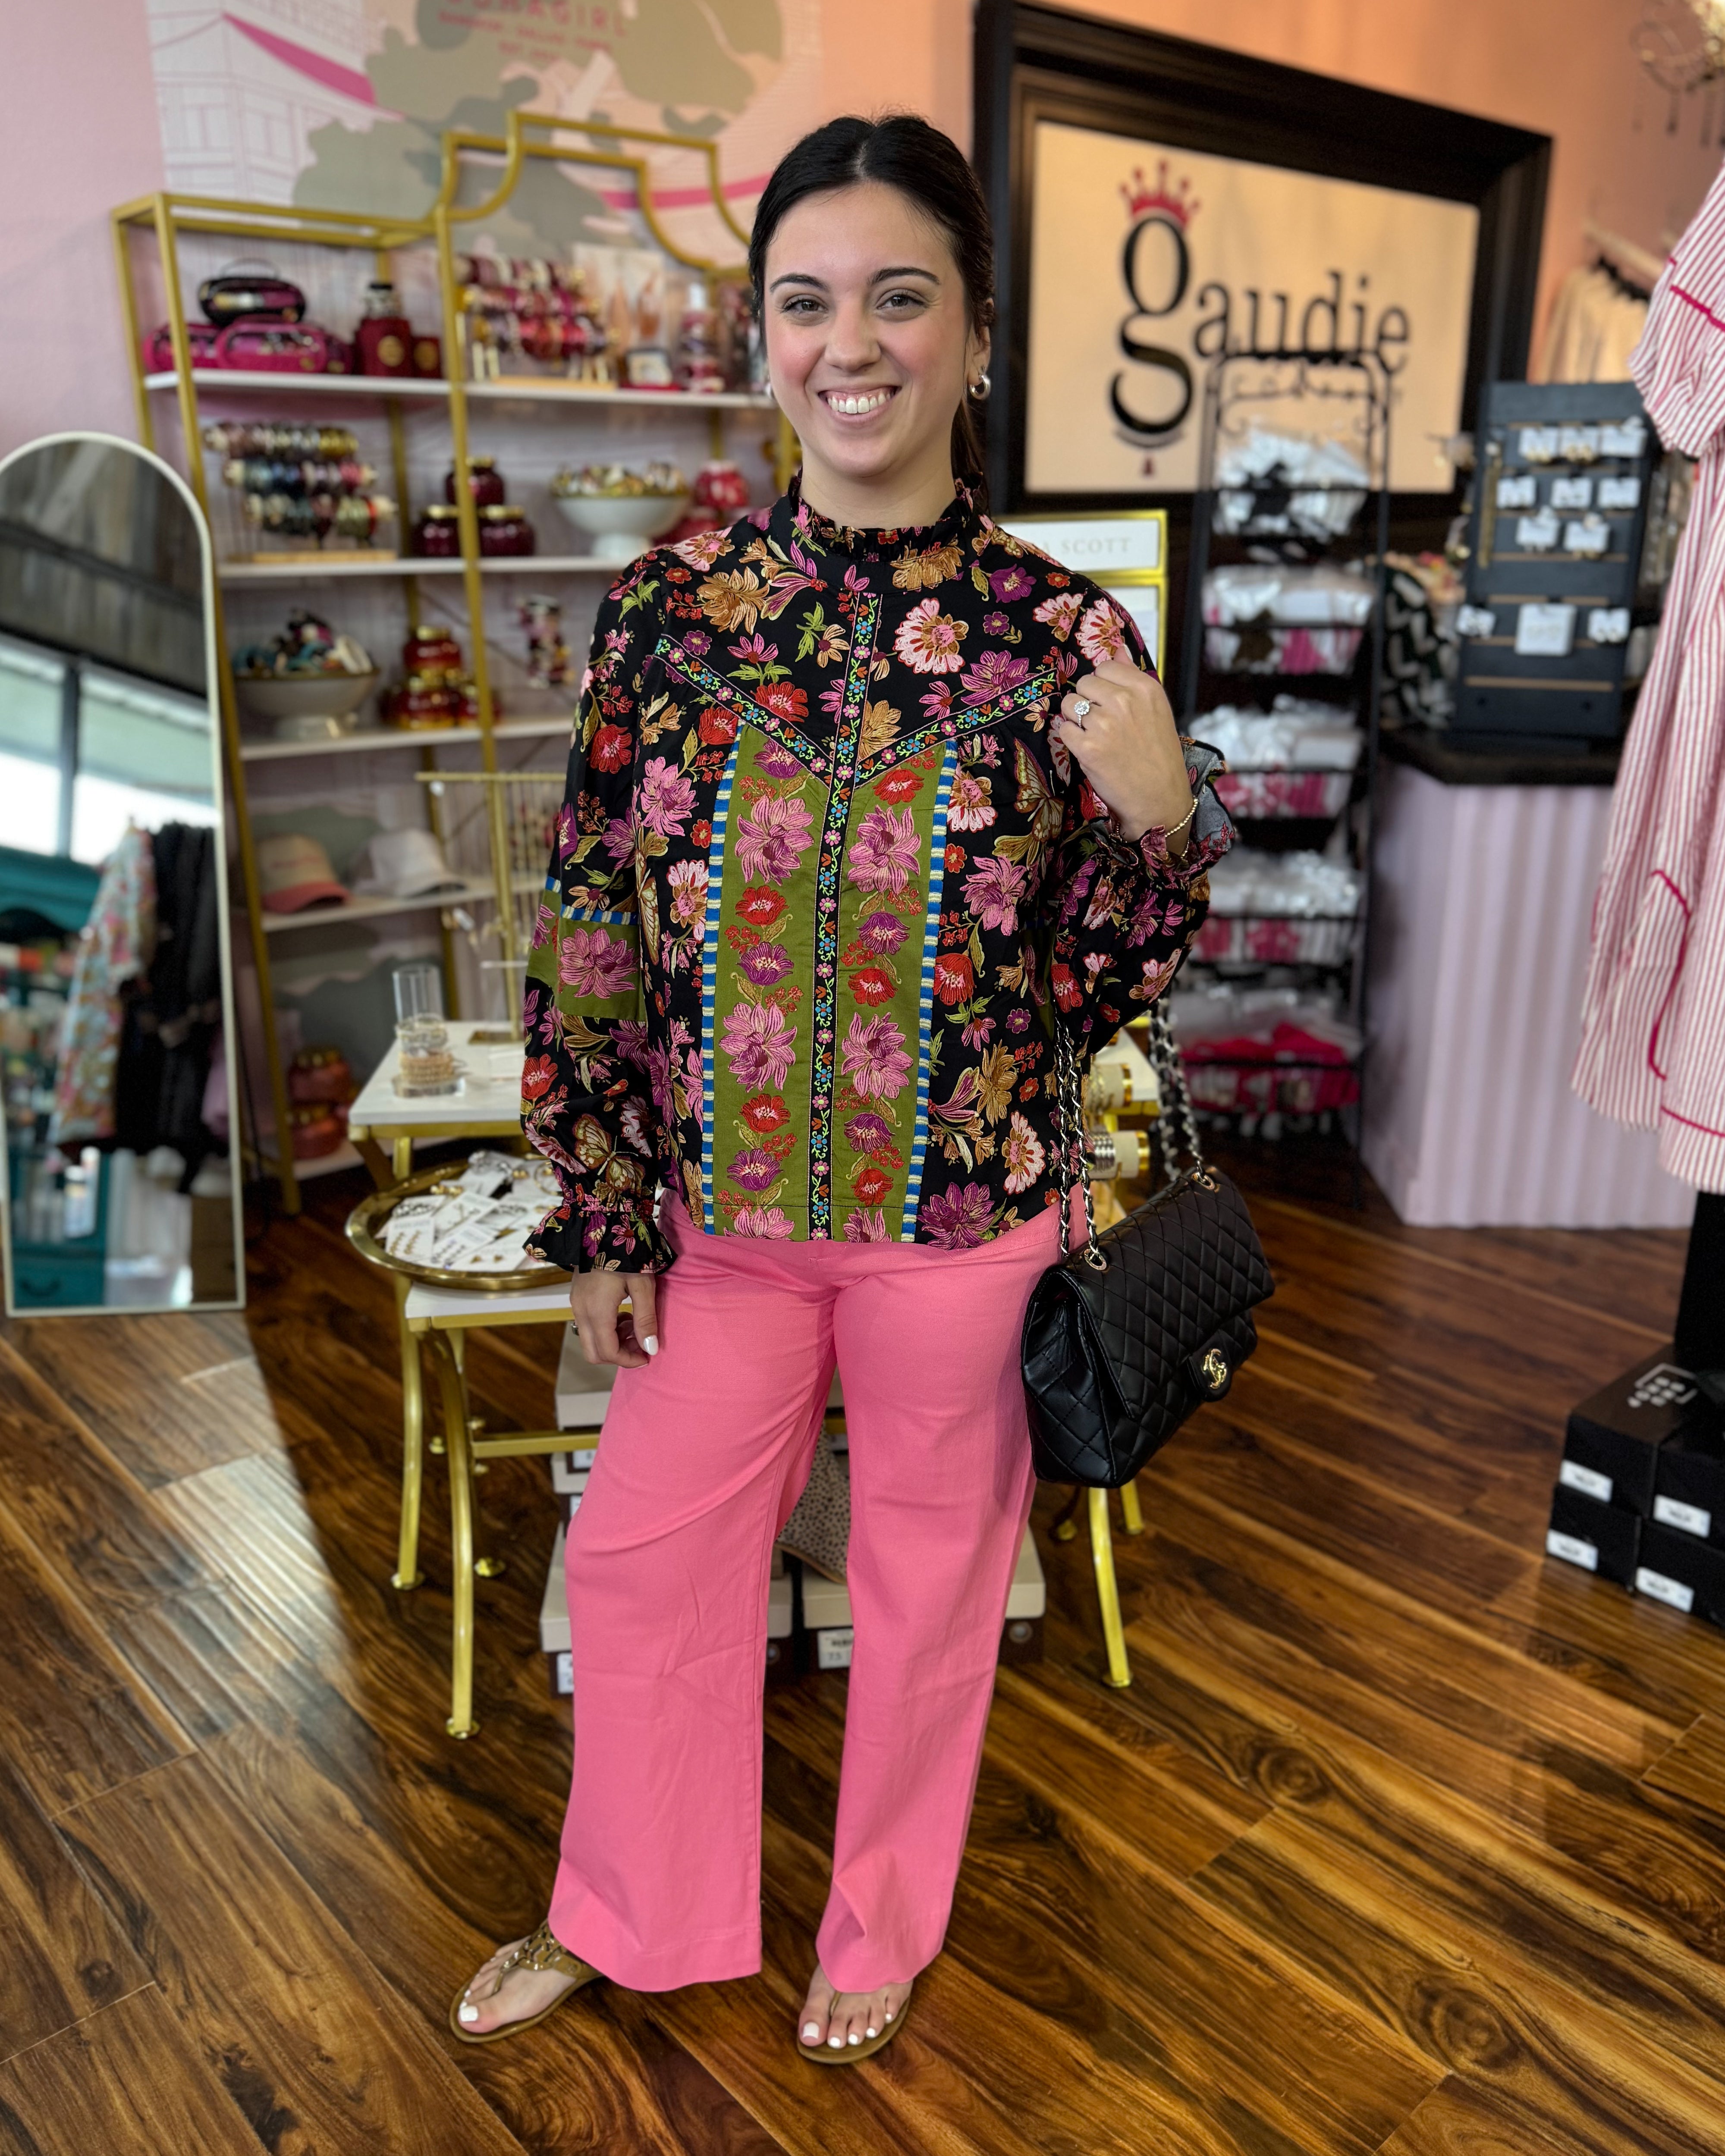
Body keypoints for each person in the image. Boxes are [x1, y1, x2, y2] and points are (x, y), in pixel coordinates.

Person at [452, 111, 1230, 2064]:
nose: (849, 341)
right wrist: (605, 1198)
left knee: (928, 1581)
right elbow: (597, 922)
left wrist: (1163, 815)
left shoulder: (1065, 637)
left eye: (899, 295)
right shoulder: (671, 612)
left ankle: (880, 1912)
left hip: (963, 1225)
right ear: (764, 336)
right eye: (806, 302)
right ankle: (629, 1904)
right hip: (720, 1220)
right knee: (637, 1560)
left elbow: (1100, 984)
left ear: (975, 337)